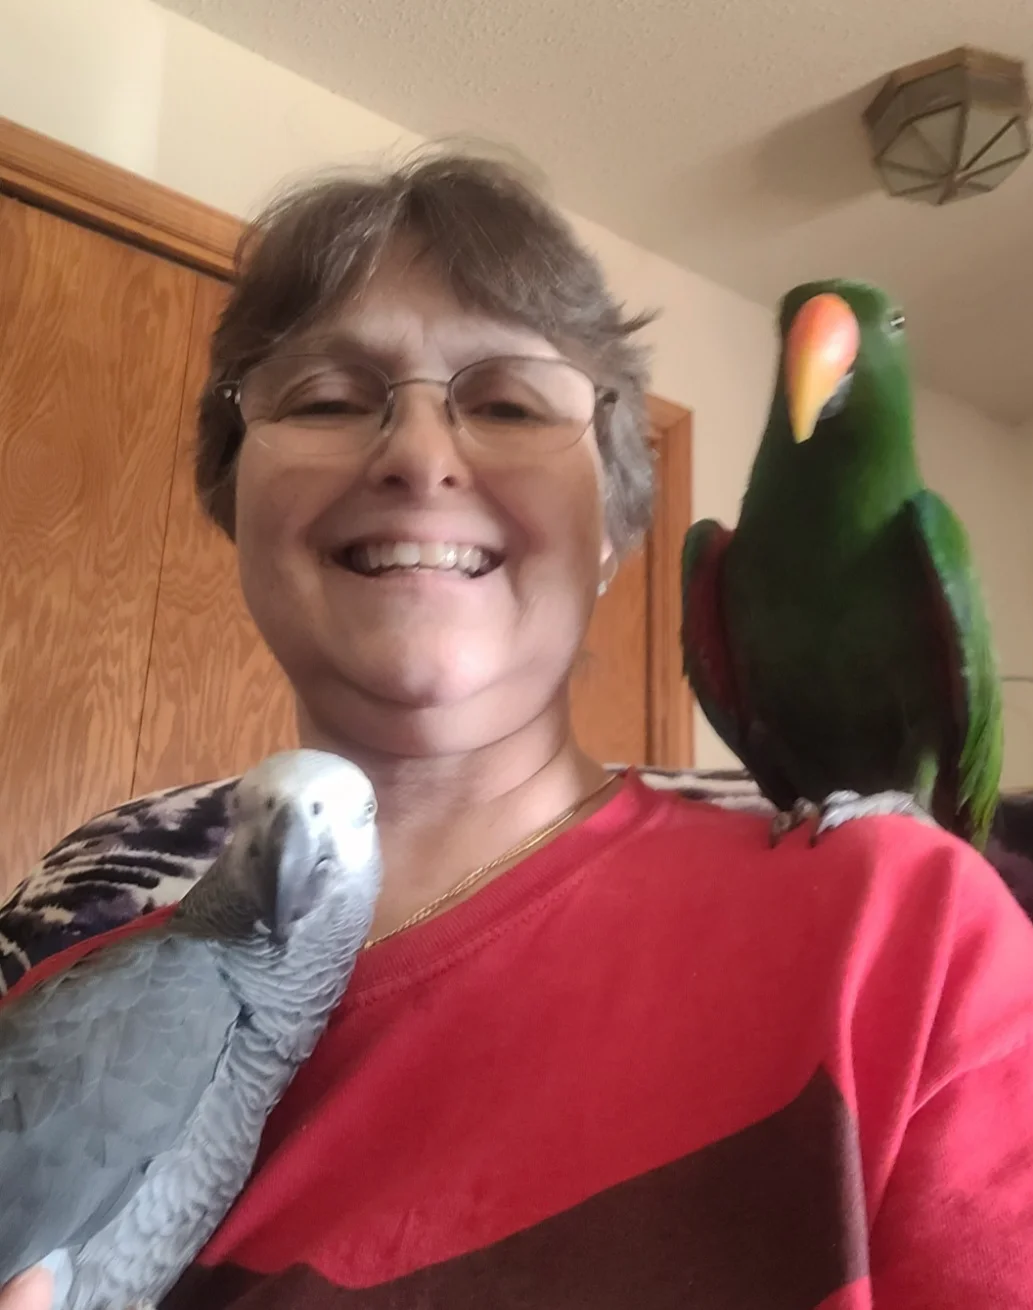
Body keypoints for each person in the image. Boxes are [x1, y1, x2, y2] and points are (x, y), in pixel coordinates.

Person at [2, 150, 1033, 1310]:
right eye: (327, 398)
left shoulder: (902, 931)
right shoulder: (54, 987)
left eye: (506, 404)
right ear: (232, 496)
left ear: (612, 525)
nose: (417, 455)